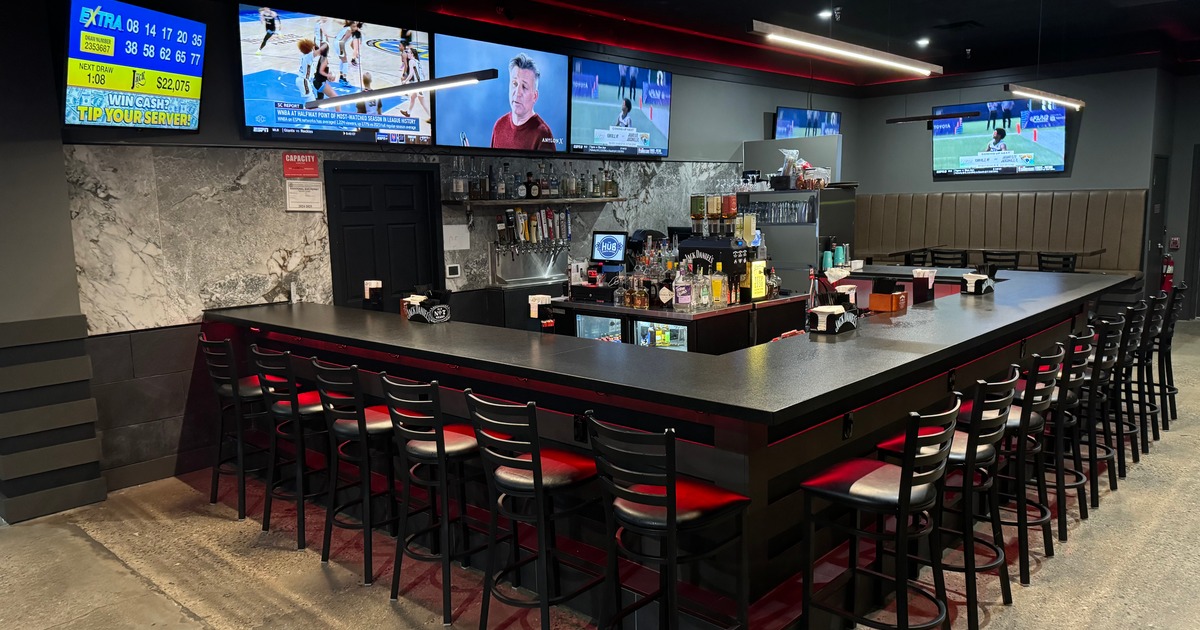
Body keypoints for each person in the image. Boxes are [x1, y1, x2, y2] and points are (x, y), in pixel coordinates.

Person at [490, 53, 556, 151]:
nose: (517, 93)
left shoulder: (543, 134)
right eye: (514, 83)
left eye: (524, 87)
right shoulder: (499, 126)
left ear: (535, 96)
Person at [399, 46, 430, 123]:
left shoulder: (411, 61)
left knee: (422, 102)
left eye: (408, 52)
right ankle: (408, 113)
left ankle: (431, 116)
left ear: (412, 54)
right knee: (413, 97)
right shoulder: (417, 61)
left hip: (419, 85)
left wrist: (405, 81)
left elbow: (411, 74)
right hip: (420, 83)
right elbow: (423, 73)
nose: (407, 54)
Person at [312, 42, 340, 110]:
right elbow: (321, 71)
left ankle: (309, 110)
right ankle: (339, 116)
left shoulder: (322, 57)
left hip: (317, 81)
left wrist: (328, 75)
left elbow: (321, 71)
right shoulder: (324, 59)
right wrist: (328, 75)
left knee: (319, 101)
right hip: (320, 83)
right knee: (337, 99)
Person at [295, 38, 316, 103]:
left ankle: (308, 110)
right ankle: (307, 112)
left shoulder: (305, 56)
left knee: (310, 101)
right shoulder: (309, 56)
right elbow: (319, 51)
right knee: (311, 101)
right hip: (304, 80)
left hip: (303, 80)